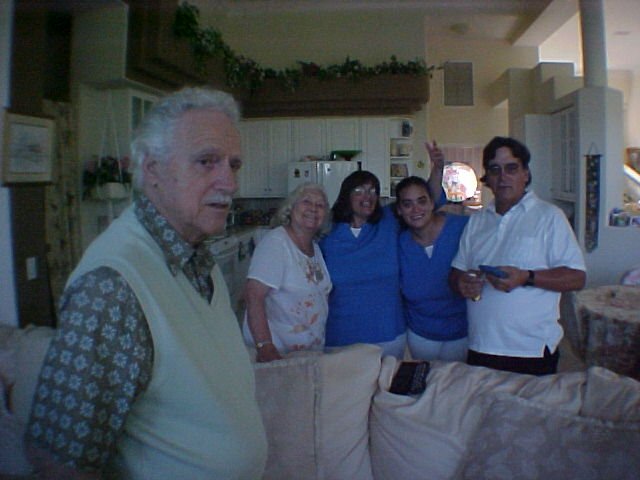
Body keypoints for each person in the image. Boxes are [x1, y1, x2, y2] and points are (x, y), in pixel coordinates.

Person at [24, 88, 267, 479]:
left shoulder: (196, 257)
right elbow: (59, 459)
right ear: (153, 170)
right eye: (207, 161)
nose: (230, 182)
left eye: (233, 164)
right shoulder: (113, 287)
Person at [450, 136, 586, 375]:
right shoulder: (477, 221)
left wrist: (526, 277)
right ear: (487, 178)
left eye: (511, 168)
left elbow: (577, 278)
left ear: (525, 173)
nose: (503, 177)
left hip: (531, 349)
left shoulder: (549, 217)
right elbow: (456, 273)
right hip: (480, 345)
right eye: (495, 169)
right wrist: (462, 283)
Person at [320, 143, 444, 359]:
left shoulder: (388, 221)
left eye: (373, 191)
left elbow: (424, 200)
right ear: (346, 195)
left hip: (388, 334)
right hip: (340, 335)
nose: (367, 196)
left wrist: (438, 168)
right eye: (359, 190)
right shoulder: (327, 232)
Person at [242, 182, 332, 362]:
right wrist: (265, 346)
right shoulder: (276, 243)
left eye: (320, 205)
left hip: (307, 353)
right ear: (291, 208)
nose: (313, 209)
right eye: (306, 201)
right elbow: (253, 296)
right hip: (277, 353)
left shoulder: (314, 247)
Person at [395, 176, 469, 361]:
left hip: (463, 333)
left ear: (431, 203)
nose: (416, 209)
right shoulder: (400, 243)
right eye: (407, 204)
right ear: (399, 210)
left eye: (421, 201)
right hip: (420, 335)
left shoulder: (462, 228)